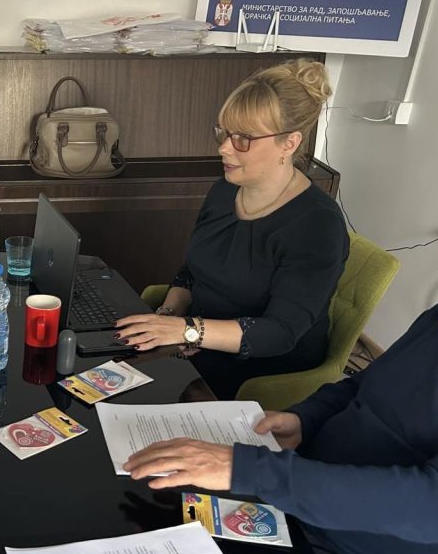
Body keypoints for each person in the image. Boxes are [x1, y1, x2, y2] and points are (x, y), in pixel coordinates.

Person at [122, 188, 438, 554]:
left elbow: (432, 504)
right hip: (306, 506)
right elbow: (364, 386)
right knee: (142, 520)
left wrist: (249, 469)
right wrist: (307, 417)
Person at [115, 59, 349, 400]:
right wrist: (168, 317)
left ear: (289, 143)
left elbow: (279, 333)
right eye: (223, 133)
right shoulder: (226, 189)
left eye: (243, 139)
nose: (223, 147)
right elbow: (192, 271)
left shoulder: (317, 225)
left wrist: (189, 331)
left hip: (260, 370)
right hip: (199, 343)